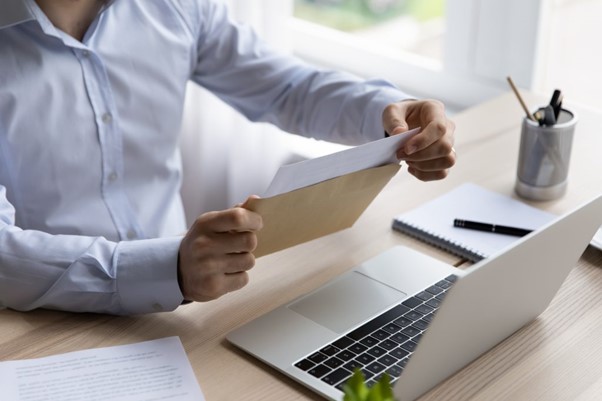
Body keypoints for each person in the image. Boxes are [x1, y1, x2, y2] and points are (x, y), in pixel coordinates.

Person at [0, 0, 456, 315]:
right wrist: (168, 267)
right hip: (45, 319)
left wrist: (388, 114)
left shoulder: (172, 7)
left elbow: (285, 87)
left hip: (184, 308)